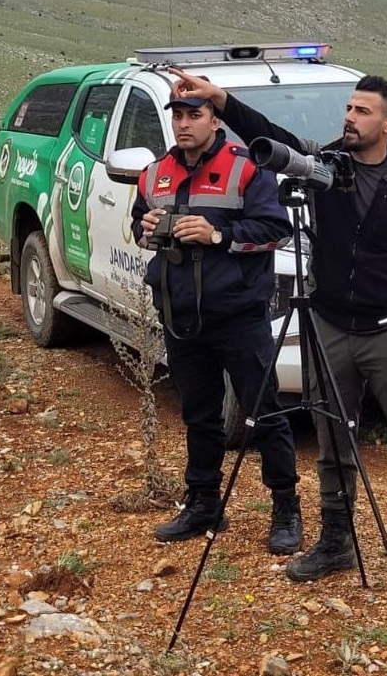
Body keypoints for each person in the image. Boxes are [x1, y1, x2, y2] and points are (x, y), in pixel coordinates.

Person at [165, 68, 387, 604]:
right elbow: (269, 134)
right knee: (330, 442)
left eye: (362, 111)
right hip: (328, 325)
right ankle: (336, 541)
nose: (350, 118)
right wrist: (220, 100)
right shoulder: (324, 165)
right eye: (348, 108)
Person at [131, 95, 303, 555]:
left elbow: (275, 231)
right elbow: (138, 228)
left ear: (215, 119)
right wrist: (146, 226)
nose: (184, 124)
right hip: (181, 313)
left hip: (238, 315)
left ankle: (286, 507)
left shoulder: (246, 168)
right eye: (178, 116)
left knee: (262, 411)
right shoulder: (155, 172)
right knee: (199, 414)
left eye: (195, 115)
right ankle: (204, 502)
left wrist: (218, 234)